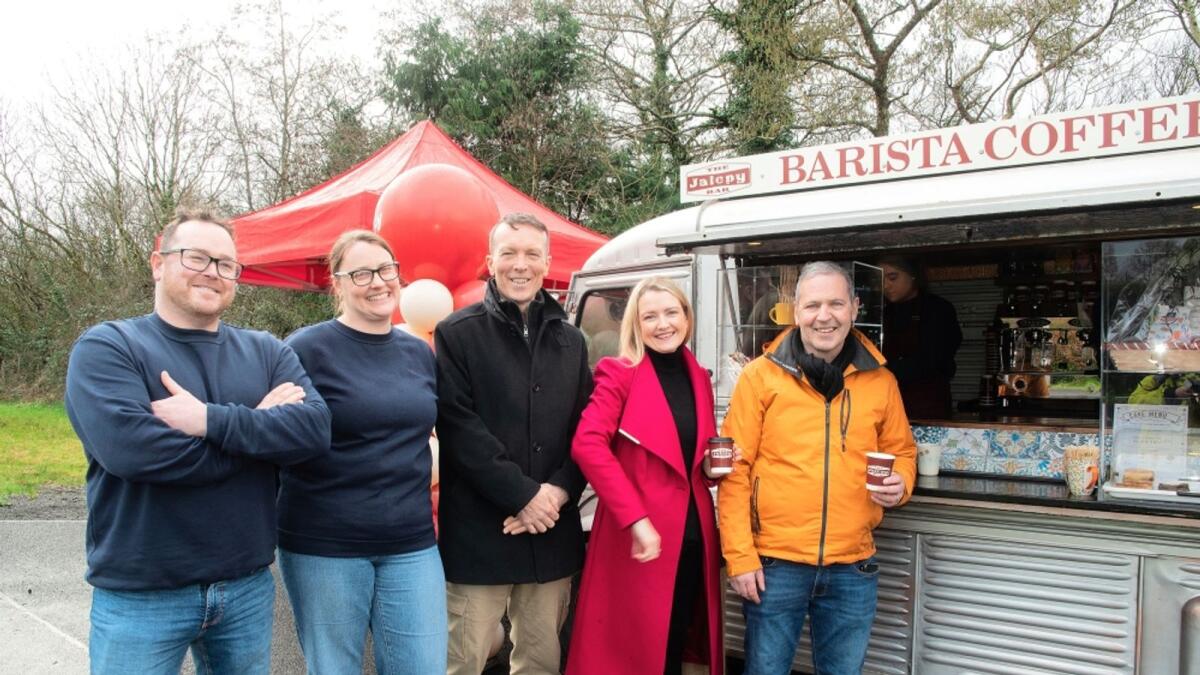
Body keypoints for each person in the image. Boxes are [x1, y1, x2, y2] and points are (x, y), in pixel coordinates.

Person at [63, 210, 331, 674]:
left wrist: (208, 420)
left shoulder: (266, 351)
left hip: (245, 584)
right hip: (141, 593)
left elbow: (314, 432)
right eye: (196, 257)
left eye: (226, 264)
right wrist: (260, 432)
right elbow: (135, 453)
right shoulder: (109, 347)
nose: (213, 271)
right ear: (157, 263)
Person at [718, 261, 917, 675]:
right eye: (812, 305)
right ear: (795, 311)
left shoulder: (881, 381)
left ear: (855, 308)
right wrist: (740, 558)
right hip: (774, 565)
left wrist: (902, 482)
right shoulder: (760, 378)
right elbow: (734, 470)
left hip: (853, 566)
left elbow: (902, 451)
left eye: (835, 303)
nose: (823, 316)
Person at [278, 230, 446, 674]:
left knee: (423, 666)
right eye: (361, 273)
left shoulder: (418, 353)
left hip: (410, 543)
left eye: (386, 270)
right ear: (337, 283)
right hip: (325, 545)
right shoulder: (305, 349)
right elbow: (275, 434)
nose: (378, 282)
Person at [434, 212, 592, 675]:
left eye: (530, 254)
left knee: (540, 662)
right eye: (508, 253)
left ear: (547, 262)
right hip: (480, 534)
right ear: (490, 261)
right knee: (462, 661)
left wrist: (558, 493)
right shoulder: (456, 334)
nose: (519, 265)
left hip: (551, 535)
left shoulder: (573, 340)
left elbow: (586, 430)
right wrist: (524, 497)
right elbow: (459, 428)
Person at [566, 277, 726, 675]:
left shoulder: (700, 377)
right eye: (649, 316)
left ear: (686, 317)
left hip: (694, 536)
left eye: (671, 313)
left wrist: (712, 466)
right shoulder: (618, 373)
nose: (662, 324)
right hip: (639, 535)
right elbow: (587, 444)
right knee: (637, 653)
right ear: (635, 325)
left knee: (675, 643)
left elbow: (694, 459)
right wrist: (635, 518)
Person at [879, 255, 962, 419]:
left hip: (926, 405)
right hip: (887, 403)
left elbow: (936, 358)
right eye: (880, 279)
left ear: (913, 275)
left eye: (892, 277)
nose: (885, 285)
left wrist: (884, 372)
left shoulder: (937, 309)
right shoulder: (882, 313)